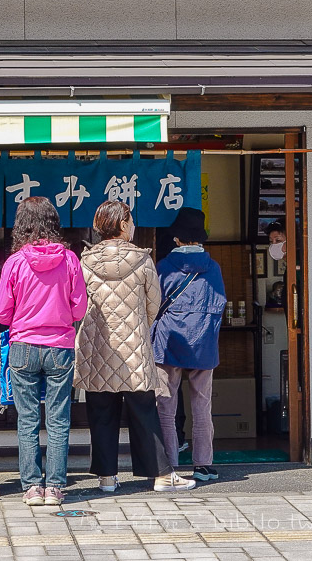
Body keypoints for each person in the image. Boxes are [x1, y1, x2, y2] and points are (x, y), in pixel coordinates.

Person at [76, 201, 195, 493]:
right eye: (130, 220)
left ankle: (106, 477)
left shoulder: (85, 260)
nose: (132, 225)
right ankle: (162, 475)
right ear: (121, 225)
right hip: (133, 346)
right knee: (144, 411)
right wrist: (137, 324)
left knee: (101, 410)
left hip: (96, 347)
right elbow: (154, 304)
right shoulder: (141, 260)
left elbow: (78, 303)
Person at [0, 197, 87, 507]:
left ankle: (32, 487)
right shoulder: (70, 260)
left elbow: (1, 313)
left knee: (28, 419)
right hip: (60, 345)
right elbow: (79, 308)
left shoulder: (15, 262)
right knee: (59, 420)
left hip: (23, 346)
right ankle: (56, 488)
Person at [153, 207, 226, 482]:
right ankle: (203, 464)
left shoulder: (164, 267)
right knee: (202, 406)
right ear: (200, 238)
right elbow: (219, 305)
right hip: (204, 344)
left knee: (166, 407)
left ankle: (169, 466)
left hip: (168, 342)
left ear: (177, 239)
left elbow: (153, 307)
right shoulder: (213, 268)